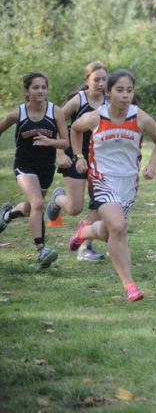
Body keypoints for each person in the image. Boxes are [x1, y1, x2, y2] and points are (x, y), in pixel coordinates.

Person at [68, 70, 156, 301]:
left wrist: (152, 164)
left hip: (129, 183)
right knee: (119, 228)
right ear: (108, 92)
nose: (125, 95)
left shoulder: (140, 117)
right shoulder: (95, 117)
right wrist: (78, 157)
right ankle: (129, 284)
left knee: (112, 230)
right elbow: (74, 130)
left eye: (129, 90)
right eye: (120, 90)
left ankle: (85, 231)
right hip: (101, 179)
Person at [0, 72, 69, 269]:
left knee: (31, 208)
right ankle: (42, 251)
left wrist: (50, 141)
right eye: (36, 87)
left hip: (46, 167)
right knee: (38, 202)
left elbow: (65, 141)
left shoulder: (55, 112)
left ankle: (7, 215)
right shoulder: (17, 114)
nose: (40, 91)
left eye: (43, 87)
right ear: (27, 91)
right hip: (24, 165)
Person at [46, 61, 108, 261]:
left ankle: (85, 247)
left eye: (104, 80)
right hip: (75, 154)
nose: (100, 83)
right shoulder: (78, 100)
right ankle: (58, 199)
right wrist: (61, 154)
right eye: (96, 79)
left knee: (97, 203)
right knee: (74, 208)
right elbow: (57, 123)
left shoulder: (110, 100)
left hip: (101, 159)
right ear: (87, 80)